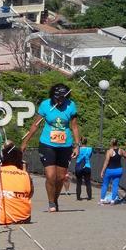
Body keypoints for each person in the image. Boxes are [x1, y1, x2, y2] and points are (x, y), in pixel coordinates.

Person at [20, 83, 79, 212]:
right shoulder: (45, 105)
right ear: (53, 96)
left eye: (62, 98)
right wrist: (25, 141)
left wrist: (77, 145)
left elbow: (74, 126)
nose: (60, 100)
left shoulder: (71, 105)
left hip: (65, 145)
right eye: (57, 98)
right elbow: (35, 125)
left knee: (61, 177)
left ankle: (55, 198)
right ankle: (51, 202)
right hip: (47, 144)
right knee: (51, 176)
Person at [99, 139, 124, 205]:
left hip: (110, 170)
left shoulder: (109, 151)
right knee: (115, 185)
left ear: (111, 143)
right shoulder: (120, 150)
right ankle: (113, 201)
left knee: (105, 184)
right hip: (118, 170)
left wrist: (102, 171)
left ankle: (102, 200)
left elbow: (106, 162)